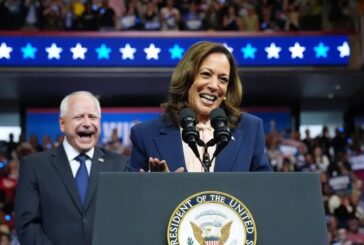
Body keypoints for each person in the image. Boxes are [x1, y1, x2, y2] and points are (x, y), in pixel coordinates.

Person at [126, 41, 272, 172]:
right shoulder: (146, 134)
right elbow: (129, 197)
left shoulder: (250, 128)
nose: (214, 86)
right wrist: (158, 188)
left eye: (223, 79)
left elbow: (265, 192)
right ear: (187, 78)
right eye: (206, 74)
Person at [15, 91, 127, 245]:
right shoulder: (34, 166)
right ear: (62, 124)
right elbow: (27, 227)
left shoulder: (120, 165)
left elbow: (129, 221)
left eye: (93, 117)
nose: (87, 123)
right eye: (79, 117)